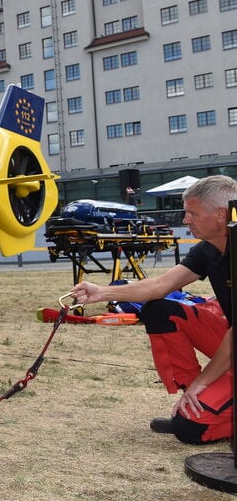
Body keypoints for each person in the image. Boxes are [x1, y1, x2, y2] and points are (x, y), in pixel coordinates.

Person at [70, 175, 235, 445]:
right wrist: (101, 292)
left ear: (220, 215)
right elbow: (159, 286)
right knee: (159, 310)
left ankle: (201, 404)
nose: (185, 220)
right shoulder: (208, 250)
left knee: (189, 430)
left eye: (191, 213)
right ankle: (194, 401)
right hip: (229, 341)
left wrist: (202, 382)